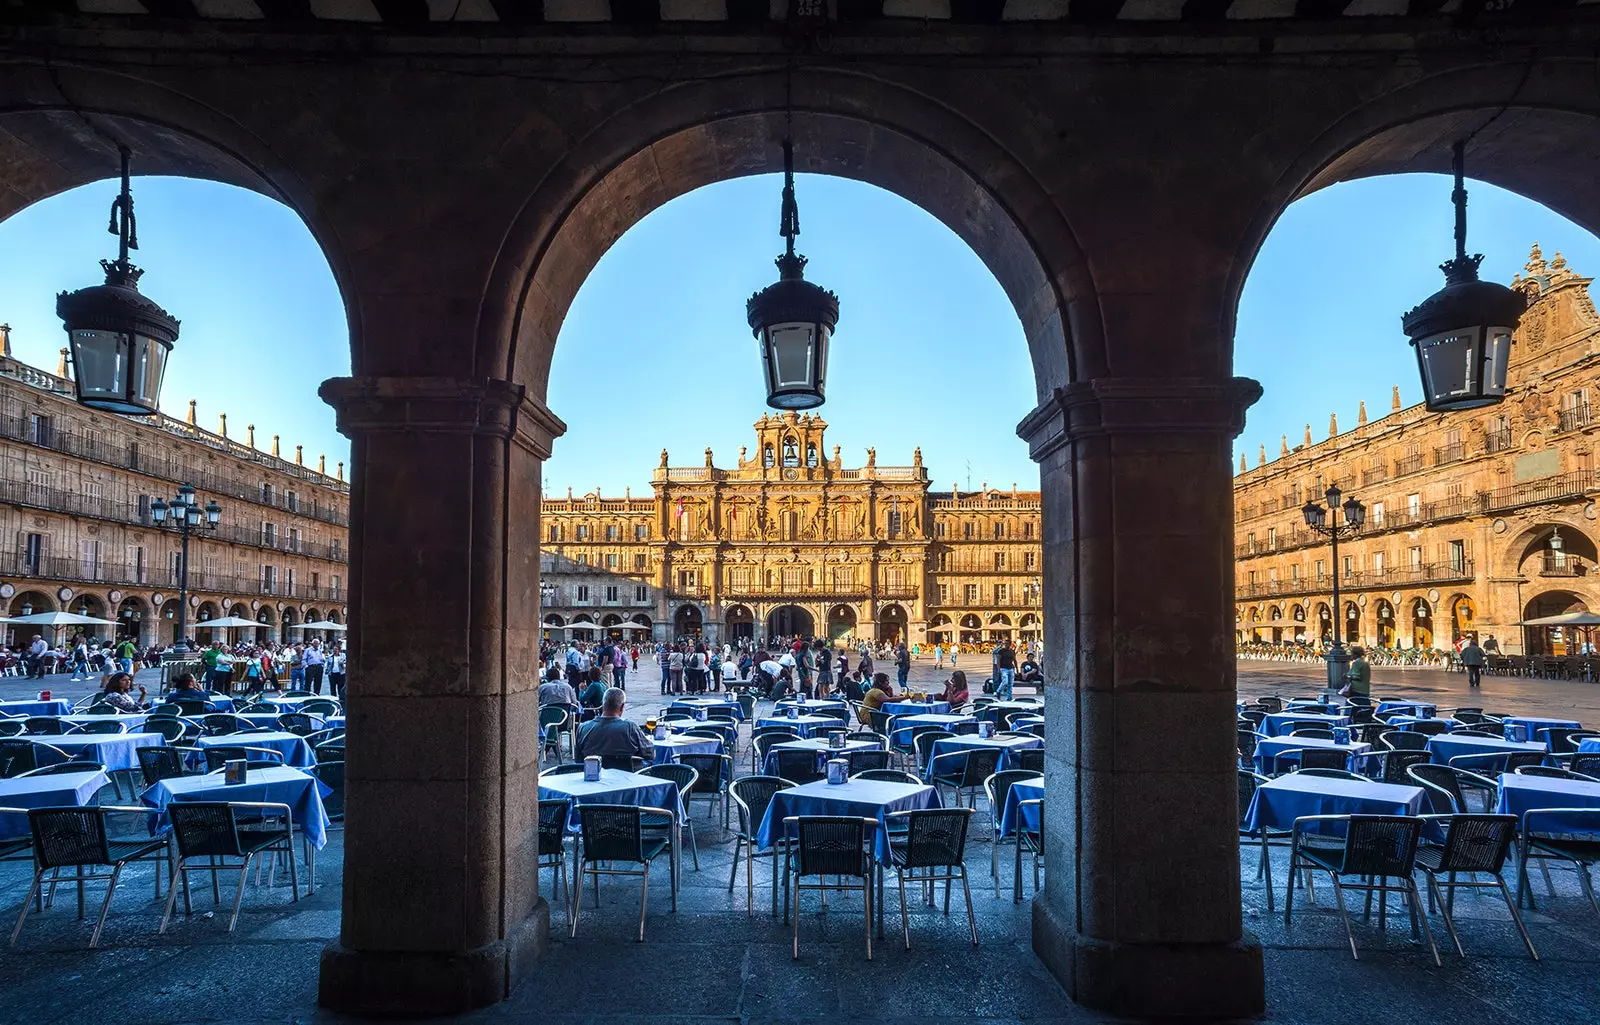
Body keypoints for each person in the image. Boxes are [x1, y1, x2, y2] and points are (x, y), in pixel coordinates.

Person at [575, 687, 653, 766]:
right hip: (627, 775)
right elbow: (650, 753)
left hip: (594, 775)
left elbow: (578, 759)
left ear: (603, 704)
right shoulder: (630, 727)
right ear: (622, 707)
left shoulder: (583, 728)